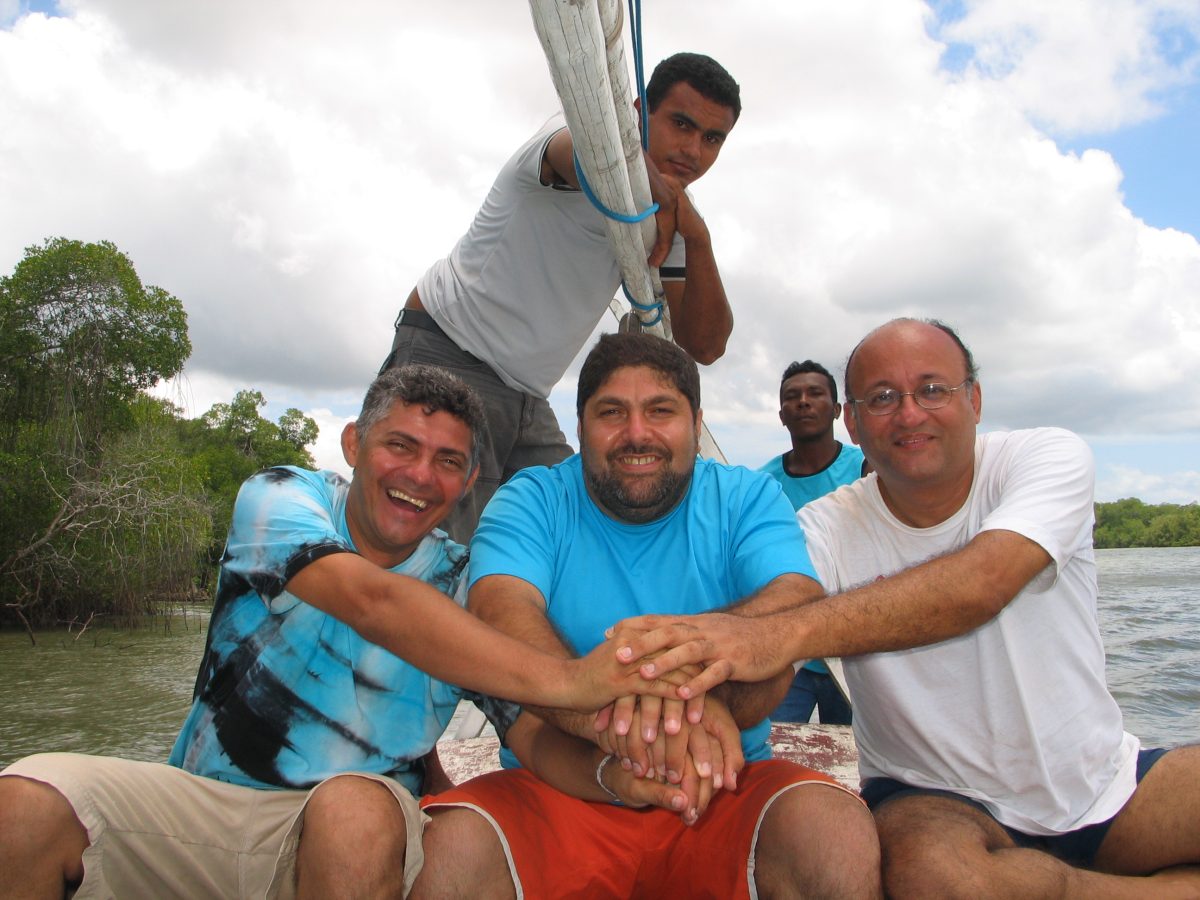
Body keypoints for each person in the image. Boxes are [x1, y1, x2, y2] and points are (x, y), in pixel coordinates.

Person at [0, 364, 682, 900]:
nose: (419, 476)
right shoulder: (279, 498)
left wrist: (620, 779)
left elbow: (529, 733)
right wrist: (574, 678)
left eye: (448, 461)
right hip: (204, 807)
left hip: (361, 829)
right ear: (355, 445)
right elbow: (372, 600)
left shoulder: (467, 587)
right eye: (400, 446)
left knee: (352, 810)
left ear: (470, 480)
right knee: (24, 805)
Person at [617, 318, 1200, 897]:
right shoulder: (822, 527)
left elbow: (981, 584)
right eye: (882, 398)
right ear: (853, 422)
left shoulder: (1043, 458)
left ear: (974, 398)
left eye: (932, 389)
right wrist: (699, 691)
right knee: (935, 880)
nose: (910, 413)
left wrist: (780, 635)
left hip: (1107, 786)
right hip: (934, 797)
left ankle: (1053, 885)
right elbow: (761, 647)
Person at [412, 333, 881, 899]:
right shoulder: (531, 498)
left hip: (725, 785)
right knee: (446, 854)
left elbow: (791, 603)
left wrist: (681, 694)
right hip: (559, 787)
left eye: (661, 411)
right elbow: (500, 611)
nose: (637, 433)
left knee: (834, 835)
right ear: (580, 425)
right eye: (612, 412)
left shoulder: (746, 497)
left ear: (696, 420)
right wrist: (637, 723)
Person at [379, 52, 741, 542]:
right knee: (426, 549)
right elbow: (578, 159)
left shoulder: (674, 217)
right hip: (450, 351)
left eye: (712, 138)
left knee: (581, 529)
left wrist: (698, 238)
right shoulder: (573, 137)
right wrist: (661, 198)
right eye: (681, 124)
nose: (694, 150)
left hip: (528, 393)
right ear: (637, 113)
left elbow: (707, 344)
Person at [759, 358, 864, 725]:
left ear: (836, 410)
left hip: (856, 649)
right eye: (792, 396)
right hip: (793, 651)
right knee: (774, 744)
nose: (803, 401)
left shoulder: (866, 469)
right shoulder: (764, 486)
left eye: (815, 394)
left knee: (866, 757)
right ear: (781, 414)